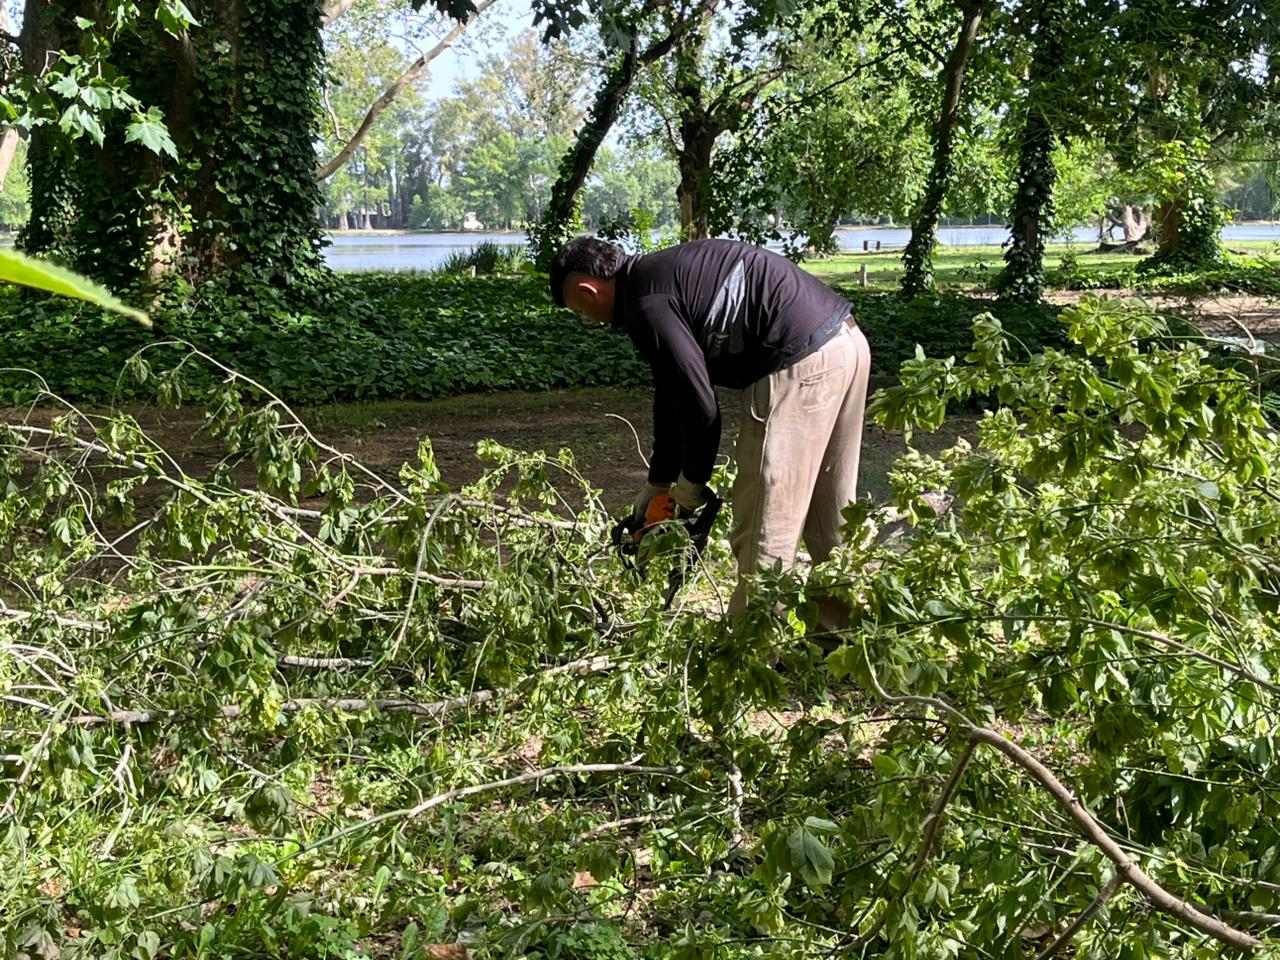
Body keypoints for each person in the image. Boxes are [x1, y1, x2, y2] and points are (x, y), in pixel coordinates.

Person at [550, 236, 871, 625]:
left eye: (580, 309)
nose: (588, 318)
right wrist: (658, 484)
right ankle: (846, 636)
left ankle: (750, 649)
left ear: (588, 289)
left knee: (765, 521)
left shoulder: (647, 304)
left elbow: (701, 409)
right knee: (832, 513)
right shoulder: (658, 278)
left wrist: (689, 491)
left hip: (799, 361)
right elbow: (672, 393)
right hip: (846, 342)